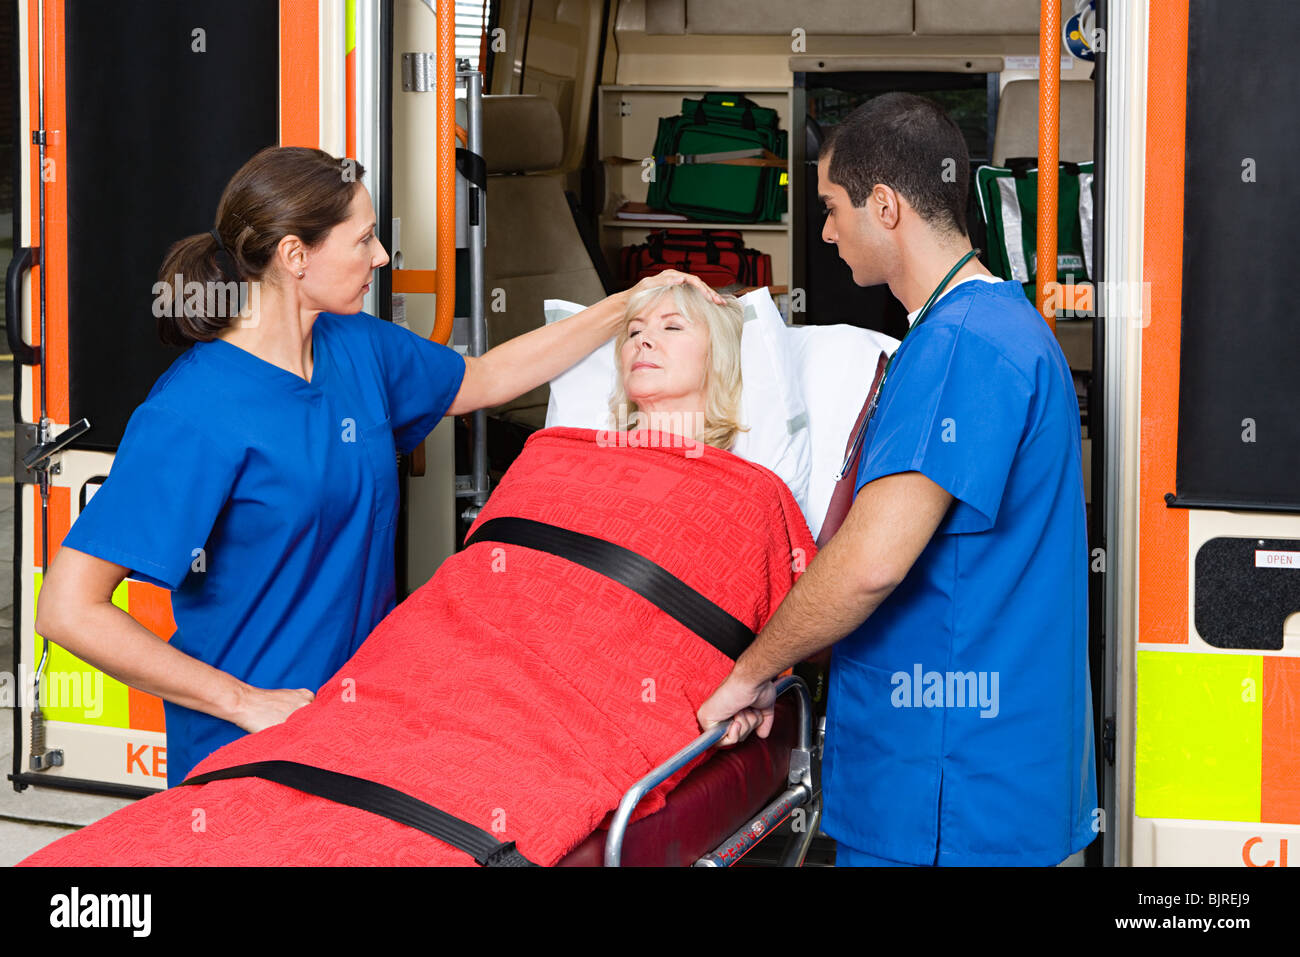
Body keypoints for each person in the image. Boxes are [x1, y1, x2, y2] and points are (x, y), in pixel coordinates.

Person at [34, 145, 722, 787]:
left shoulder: (356, 347)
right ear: (295, 254)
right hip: (247, 751)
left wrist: (630, 304)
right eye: (364, 239)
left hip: (366, 722)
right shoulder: (194, 410)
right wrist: (245, 703)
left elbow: (481, 378)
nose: (384, 255)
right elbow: (69, 608)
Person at [695, 92, 1097, 866]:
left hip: (948, 798)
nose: (824, 229)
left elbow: (872, 562)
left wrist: (751, 671)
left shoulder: (961, 347)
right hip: (983, 785)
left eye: (832, 207)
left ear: (884, 206)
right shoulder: (997, 328)